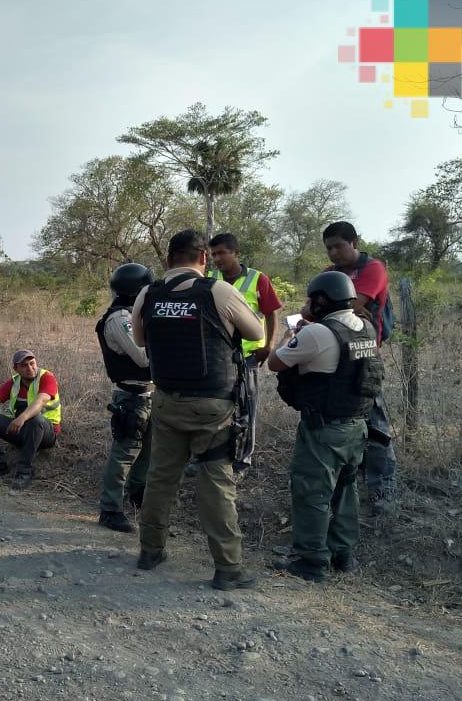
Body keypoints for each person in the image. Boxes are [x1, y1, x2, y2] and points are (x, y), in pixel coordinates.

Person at [130, 229, 263, 590]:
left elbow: (139, 339)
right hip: (212, 406)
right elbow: (256, 334)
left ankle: (150, 551)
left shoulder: (149, 293)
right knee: (216, 482)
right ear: (203, 258)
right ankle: (227, 567)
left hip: (166, 400)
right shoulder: (218, 290)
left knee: (160, 477)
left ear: (169, 258)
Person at [268, 271, 383, 582]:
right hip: (357, 426)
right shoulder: (365, 328)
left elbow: (275, 362)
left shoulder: (317, 333)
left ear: (322, 299)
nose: (307, 304)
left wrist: (291, 331)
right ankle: (343, 555)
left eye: (310, 299)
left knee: (311, 492)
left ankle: (312, 560)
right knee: (346, 491)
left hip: (324, 429)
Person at [311, 221, 397, 516]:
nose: (333, 252)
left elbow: (352, 304)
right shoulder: (328, 273)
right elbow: (308, 310)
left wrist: (331, 308)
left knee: (375, 423)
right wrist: (337, 309)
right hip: (332, 354)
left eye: (338, 246)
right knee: (340, 421)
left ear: (354, 242)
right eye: (329, 248)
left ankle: (383, 488)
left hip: (363, 356)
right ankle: (346, 484)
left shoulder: (372, 269)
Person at [207, 232, 282, 471]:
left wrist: (269, 346)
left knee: (247, 405)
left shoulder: (257, 279)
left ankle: (243, 458)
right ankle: (211, 454)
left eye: (222, 253)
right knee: (214, 406)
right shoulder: (209, 278)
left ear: (236, 253)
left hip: (247, 357)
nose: (217, 259)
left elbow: (271, 313)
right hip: (216, 356)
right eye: (213, 254)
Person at [96, 262, 154, 533]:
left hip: (149, 394)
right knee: (124, 454)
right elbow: (142, 357)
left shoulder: (131, 314)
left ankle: (136, 494)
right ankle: (110, 509)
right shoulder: (119, 318)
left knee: (149, 450)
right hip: (132, 395)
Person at [0, 349, 60, 491]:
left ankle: (24, 472)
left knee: (36, 419)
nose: (30, 368)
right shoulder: (14, 382)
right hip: (21, 430)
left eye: (32, 363)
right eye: (24, 365)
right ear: (16, 369)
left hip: (46, 432)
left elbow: (40, 401)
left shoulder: (47, 377)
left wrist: (22, 418)